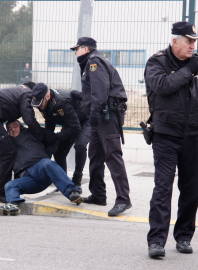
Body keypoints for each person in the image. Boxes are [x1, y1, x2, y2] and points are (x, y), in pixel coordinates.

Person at [143, 21, 198, 258]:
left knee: (191, 189)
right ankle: (156, 241)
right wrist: (188, 70)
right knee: (163, 188)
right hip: (165, 136)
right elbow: (163, 86)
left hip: (193, 136)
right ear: (175, 40)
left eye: (194, 42)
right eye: (188, 41)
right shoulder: (156, 62)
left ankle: (184, 237)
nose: (192, 46)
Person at [70, 37, 131, 217]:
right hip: (99, 115)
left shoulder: (94, 61)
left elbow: (100, 89)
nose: (75, 52)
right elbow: (94, 90)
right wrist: (81, 97)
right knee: (95, 155)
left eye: (77, 49)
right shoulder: (91, 62)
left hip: (106, 116)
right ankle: (98, 194)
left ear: (86, 48)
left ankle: (123, 199)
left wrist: (96, 112)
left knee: (112, 155)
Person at [0, 120, 82, 216]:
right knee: (10, 185)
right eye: (9, 128)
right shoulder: (7, 143)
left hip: (39, 166)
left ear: (21, 126)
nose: (13, 129)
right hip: (27, 177)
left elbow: (54, 138)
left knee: (48, 164)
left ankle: (72, 192)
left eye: (15, 126)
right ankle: (13, 205)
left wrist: (47, 154)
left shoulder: (31, 133)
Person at [0, 82, 45, 203]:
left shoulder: (16, 92)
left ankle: (0, 190)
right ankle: (0, 192)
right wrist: (41, 136)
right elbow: (29, 119)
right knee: (8, 152)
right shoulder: (26, 94)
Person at [30, 84, 90, 193]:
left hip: (85, 119)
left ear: (47, 96)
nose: (39, 106)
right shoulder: (42, 103)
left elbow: (75, 128)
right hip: (71, 122)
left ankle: (77, 181)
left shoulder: (60, 102)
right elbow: (50, 121)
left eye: (40, 102)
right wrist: (48, 139)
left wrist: (56, 137)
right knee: (58, 151)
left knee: (80, 145)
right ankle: (63, 182)